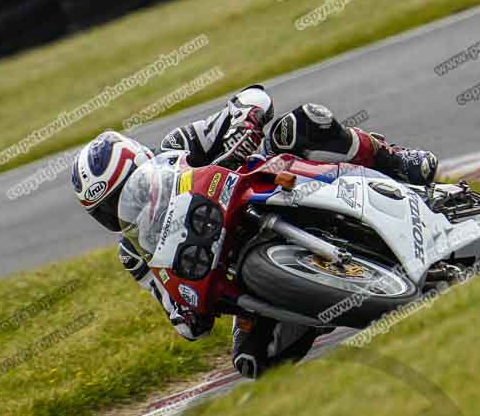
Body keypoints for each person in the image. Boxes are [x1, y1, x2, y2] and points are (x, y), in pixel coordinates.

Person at [70, 85, 438, 378]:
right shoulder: (133, 253)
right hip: (240, 268)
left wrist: (244, 125)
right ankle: (322, 298)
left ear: (142, 163)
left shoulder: (178, 146)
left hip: (270, 185)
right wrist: (189, 313)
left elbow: (252, 97)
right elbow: (182, 320)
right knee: (253, 361)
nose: (118, 211)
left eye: (122, 194)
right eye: (105, 211)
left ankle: (395, 161)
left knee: (301, 124)